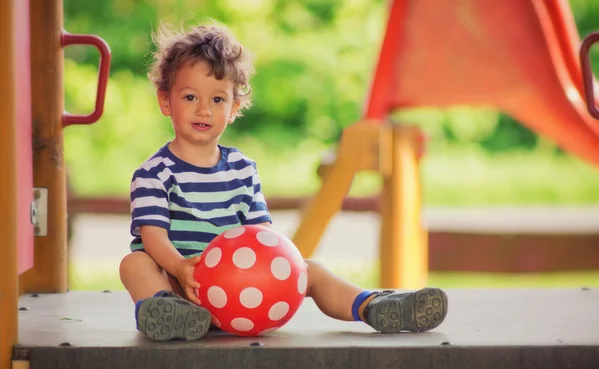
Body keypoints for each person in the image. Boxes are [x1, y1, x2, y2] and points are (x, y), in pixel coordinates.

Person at [119, 23, 448, 341]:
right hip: (182, 286)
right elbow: (152, 237)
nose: (204, 110)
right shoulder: (154, 173)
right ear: (166, 101)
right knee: (135, 263)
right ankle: (170, 315)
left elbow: (263, 235)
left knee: (312, 270)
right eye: (190, 97)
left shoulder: (243, 170)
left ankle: (375, 306)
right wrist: (179, 268)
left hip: (240, 290)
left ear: (234, 108)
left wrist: (284, 273)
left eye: (217, 100)